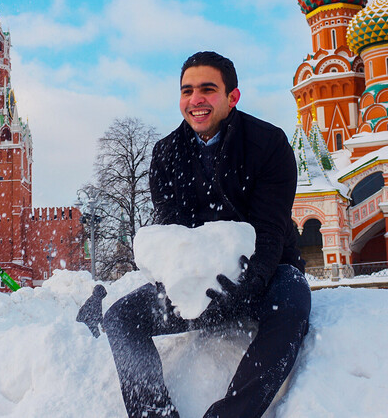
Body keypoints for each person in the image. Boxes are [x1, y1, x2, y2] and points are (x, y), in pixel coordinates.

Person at [98, 51, 311, 418]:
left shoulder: (268, 144)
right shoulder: (166, 153)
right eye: (187, 91)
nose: (195, 100)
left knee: (291, 305)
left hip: (264, 275)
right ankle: (155, 413)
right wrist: (177, 284)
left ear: (232, 97)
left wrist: (250, 283)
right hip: (199, 285)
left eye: (208, 89)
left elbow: (271, 228)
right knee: (120, 317)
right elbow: (172, 234)